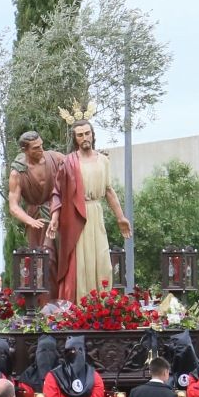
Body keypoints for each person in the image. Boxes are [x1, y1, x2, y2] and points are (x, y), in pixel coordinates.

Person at [51, 117, 130, 301]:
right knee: (81, 264)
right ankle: (80, 307)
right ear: (75, 138)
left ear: (93, 135)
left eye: (87, 133)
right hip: (76, 216)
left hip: (96, 212)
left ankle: (101, 304)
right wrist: (54, 218)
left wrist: (121, 217)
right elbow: (57, 192)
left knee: (102, 262)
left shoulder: (103, 160)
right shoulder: (69, 162)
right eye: (80, 135)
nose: (84, 137)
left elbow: (109, 190)